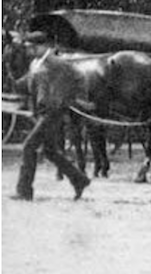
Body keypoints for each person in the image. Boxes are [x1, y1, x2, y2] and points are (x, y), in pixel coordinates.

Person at [11, 34, 92, 201]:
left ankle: (24, 191)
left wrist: (73, 99)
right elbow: (28, 81)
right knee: (50, 151)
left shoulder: (57, 63)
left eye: (33, 47)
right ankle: (79, 180)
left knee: (28, 147)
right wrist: (12, 82)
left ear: (44, 46)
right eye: (29, 47)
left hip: (53, 112)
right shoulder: (36, 63)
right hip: (41, 111)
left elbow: (79, 77)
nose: (30, 50)